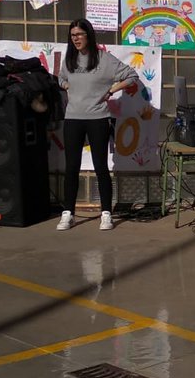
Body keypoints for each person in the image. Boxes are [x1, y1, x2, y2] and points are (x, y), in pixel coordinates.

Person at [56, 18, 137, 232]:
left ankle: (106, 213)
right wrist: (65, 85)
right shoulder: (70, 59)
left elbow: (131, 76)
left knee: (101, 167)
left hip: (98, 119)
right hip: (73, 118)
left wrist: (111, 91)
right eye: (72, 35)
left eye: (79, 35)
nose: (76, 39)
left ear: (89, 35)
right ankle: (68, 213)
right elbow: (60, 77)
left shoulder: (104, 59)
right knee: (71, 167)